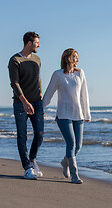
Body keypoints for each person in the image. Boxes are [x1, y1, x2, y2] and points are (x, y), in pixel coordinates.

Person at [43, 48, 91, 184]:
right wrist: (41, 107)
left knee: (78, 146)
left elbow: (84, 96)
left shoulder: (80, 73)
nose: (77, 59)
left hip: (78, 114)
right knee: (71, 143)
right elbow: (49, 93)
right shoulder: (57, 74)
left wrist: (87, 114)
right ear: (67, 58)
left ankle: (65, 162)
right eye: (75, 57)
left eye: (77, 57)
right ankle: (74, 175)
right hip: (63, 114)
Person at [8, 31, 44, 180]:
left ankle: (32, 159)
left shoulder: (37, 59)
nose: (39, 45)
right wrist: (25, 102)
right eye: (36, 43)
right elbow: (14, 84)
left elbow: (39, 78)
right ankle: (27, 168)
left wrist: (40, 94)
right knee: (22, 136)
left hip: (37, 102)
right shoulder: (15, 60)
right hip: (21, 103)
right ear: (29, 43)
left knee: (40, 134)